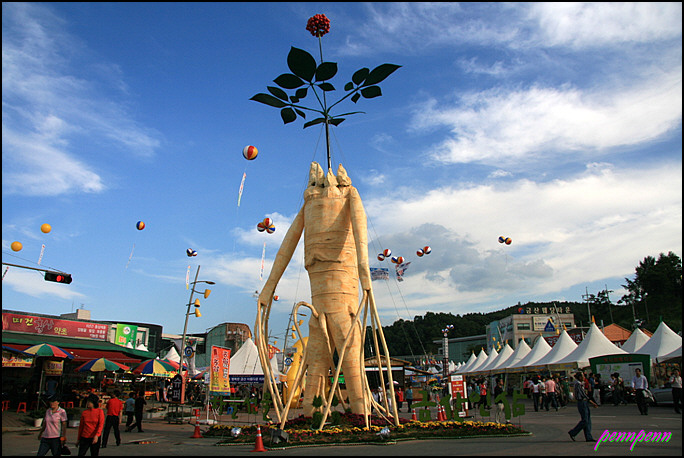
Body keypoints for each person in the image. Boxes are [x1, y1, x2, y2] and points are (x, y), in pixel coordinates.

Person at [568, 372, 598, 442]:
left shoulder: (580, 384)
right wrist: (592, 402)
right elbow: (583, 395)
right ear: (579, 377)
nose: (584, 377)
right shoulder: (578, 384)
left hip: (584, 402)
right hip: (582, 402)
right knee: (585, 420)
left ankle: (588, 437)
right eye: (583, 376)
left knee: (587, 420)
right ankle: (573, 432)